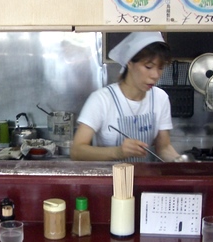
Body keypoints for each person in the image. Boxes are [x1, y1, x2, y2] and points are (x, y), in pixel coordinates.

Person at [71, 32, 183, 162]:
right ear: (130, 62)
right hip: (111, 180)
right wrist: (118, 152)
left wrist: (181, 163)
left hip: (146, 179)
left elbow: (163, 148)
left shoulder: (160, 98)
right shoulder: (102, 100)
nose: (155, 75)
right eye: (148, 67)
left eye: (160, 68)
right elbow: (77, 151)